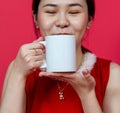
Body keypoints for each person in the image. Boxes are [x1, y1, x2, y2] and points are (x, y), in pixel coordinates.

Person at [0, 0, 120, 113]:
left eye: (74, 12)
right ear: (36, 19)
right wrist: (18, 73)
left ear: (89, 19)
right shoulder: (18, 69)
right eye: (51, 12)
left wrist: (88, 96)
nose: (62, 22)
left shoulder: (112, 74)